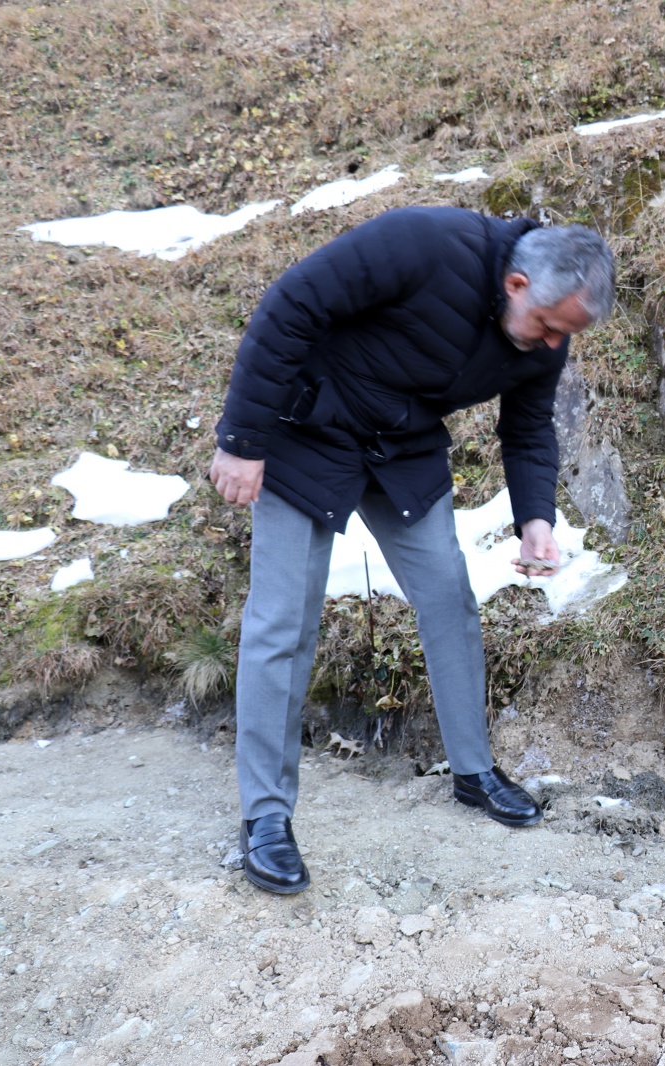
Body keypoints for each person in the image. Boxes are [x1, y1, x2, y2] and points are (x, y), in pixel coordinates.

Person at [209, 206, 615, 895]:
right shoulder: (425, 244)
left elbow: (527, 426)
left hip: (401, 444)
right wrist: (242, 442)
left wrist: (534, 520)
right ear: (516, 283)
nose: (551, 346)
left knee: (448, 598)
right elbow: (290, 305)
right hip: (306, 429)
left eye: (565, 335)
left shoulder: (545, 337)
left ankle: (473, 771)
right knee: (282, 621)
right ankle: (266, 818)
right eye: (548, 327)